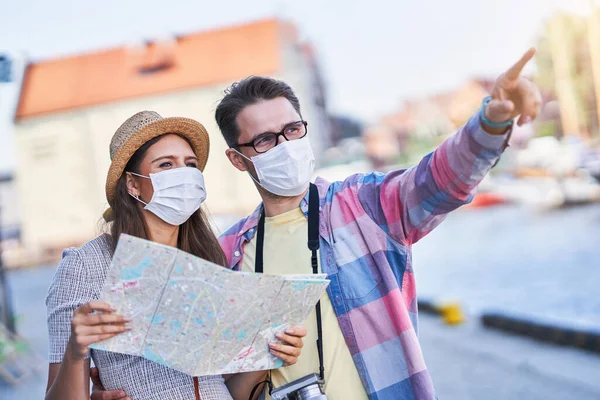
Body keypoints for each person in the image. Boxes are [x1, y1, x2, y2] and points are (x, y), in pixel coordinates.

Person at [94, 48, 542, 400]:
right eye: (266, 139)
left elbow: (439, 179)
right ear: (237, 159)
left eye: (293, 130)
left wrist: (492, 119)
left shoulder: (364, 207)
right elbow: (193, 368)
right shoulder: (224, 254)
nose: (285, 145)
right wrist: (110, 388)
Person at [45, 111, 307, 400]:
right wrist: (74, 351)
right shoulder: (85, 265)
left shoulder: (208, 259)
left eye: (190, 164)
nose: (183, 173)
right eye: (166, 164)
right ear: (132, 184)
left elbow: (221, 391)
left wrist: (268, 355)